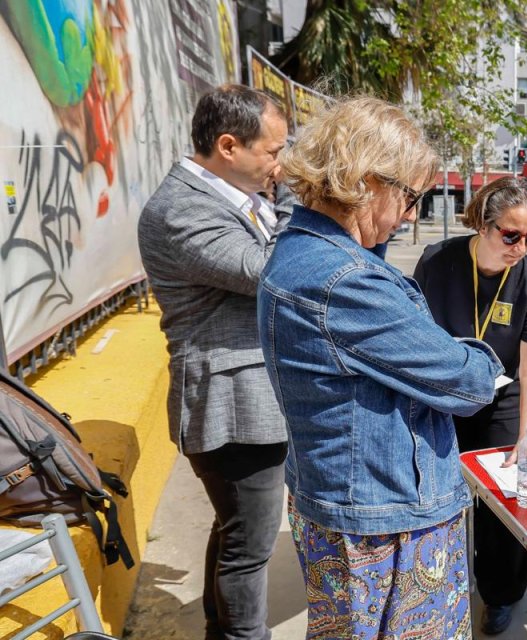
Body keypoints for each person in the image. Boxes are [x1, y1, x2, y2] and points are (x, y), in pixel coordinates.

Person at [259, 96, 504, 638]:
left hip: (350, 498)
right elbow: (465, 383)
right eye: (411, 196)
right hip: (382, 515)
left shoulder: (301, 250)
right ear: (368, 182)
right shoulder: (345, 281)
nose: (413, 214)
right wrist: (481, 358)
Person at [137, 84, 288, 640]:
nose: (280, 163)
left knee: (235, 532)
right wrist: (298, 200)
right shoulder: (182, 208)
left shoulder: (229, 194)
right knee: (249, 545)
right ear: (229, 145)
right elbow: (267, 271)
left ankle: (218, 630)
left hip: (249, 397)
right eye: (273, 152)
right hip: (233, 403)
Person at [412, 176, 527, 635]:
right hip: (443, 395)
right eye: (510, 234)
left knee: (502, 499)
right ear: (482, 223)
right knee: (439, 495)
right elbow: (413, 337)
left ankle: (502, 593)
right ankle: (439, 580)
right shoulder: (438, 261)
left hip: (501, 397)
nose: (521, 246)